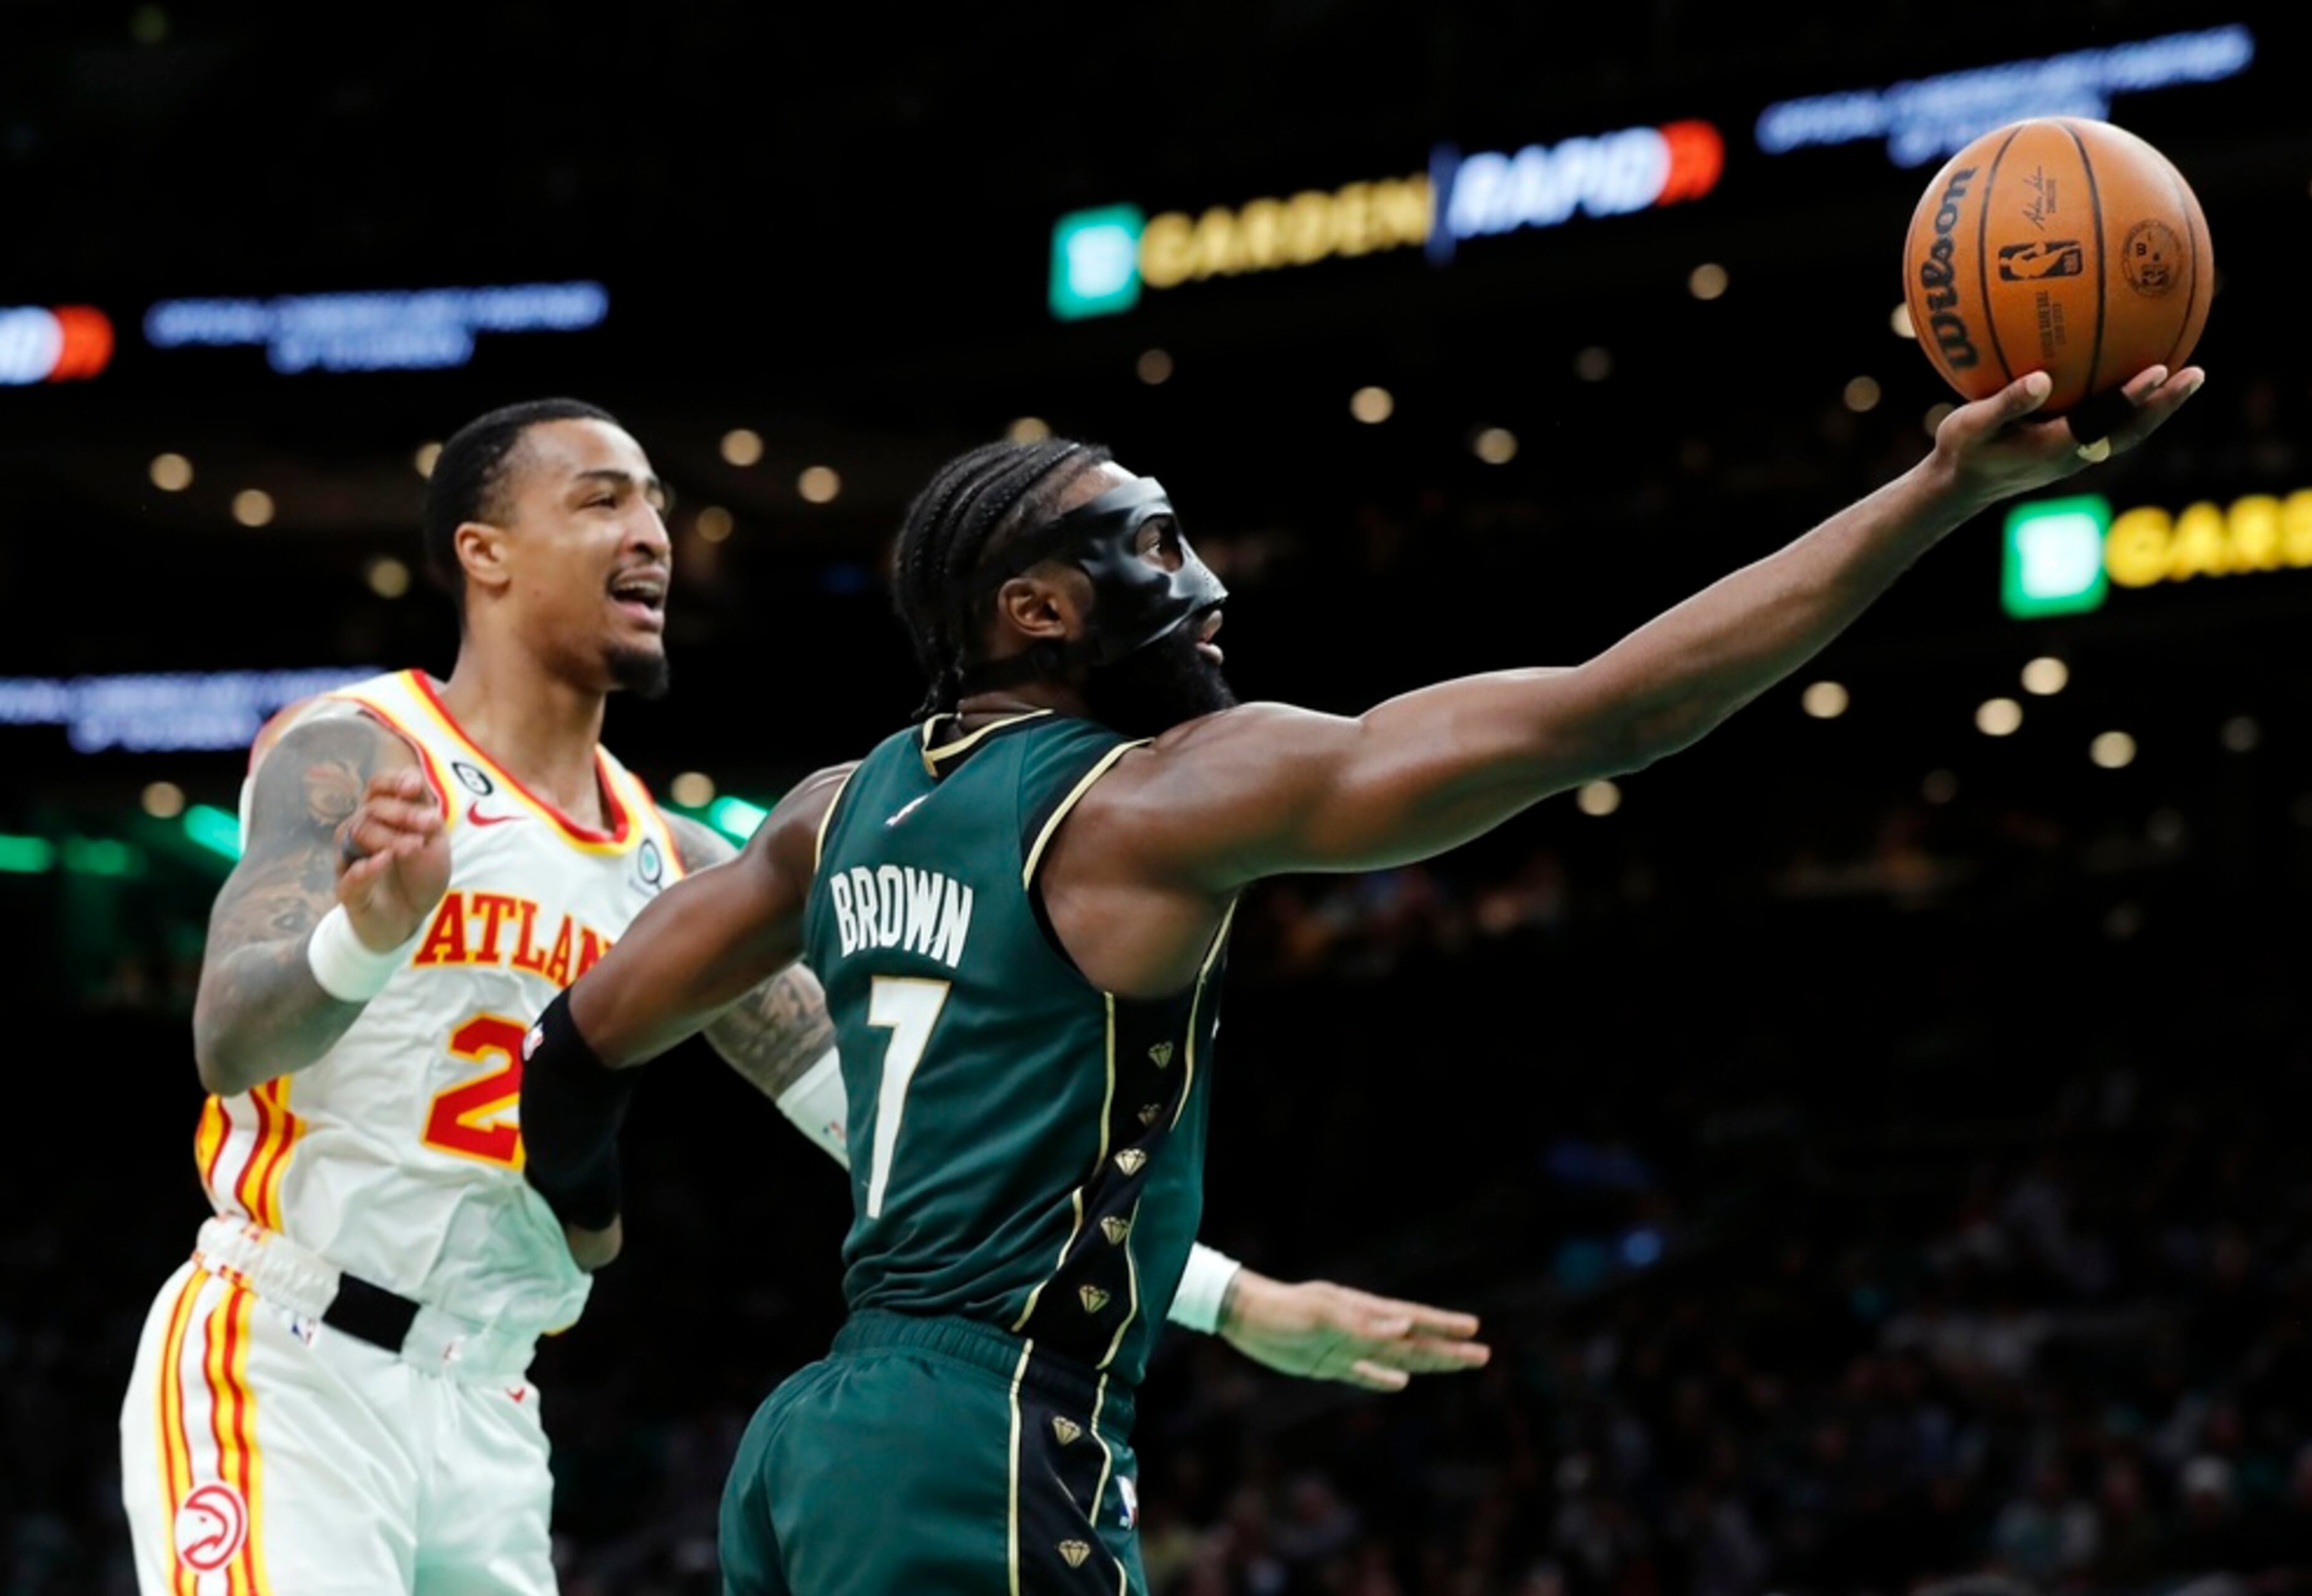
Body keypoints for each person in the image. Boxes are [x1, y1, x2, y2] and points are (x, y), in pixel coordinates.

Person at [516, 363, 2204, 1594]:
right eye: (1152, 547)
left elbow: (579, 1051)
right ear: (1035, 609)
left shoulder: (832, 809)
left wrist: (587, 1228)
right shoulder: (1155, 798)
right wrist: (1939, 493)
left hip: (808, 1447)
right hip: (976, 1443)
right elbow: (1611, 714)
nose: (1206, 581)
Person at [117, 398, 1480, 1596]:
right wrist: (364, 935)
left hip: (488, 1403)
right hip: (288, 1354)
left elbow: (897, 1136)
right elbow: (230, 1036)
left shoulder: (677, 866)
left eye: (656, 500)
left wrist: (1240, 1305)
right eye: (600, 499)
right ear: (483, 553)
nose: (650, 529)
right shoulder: (361, 746)